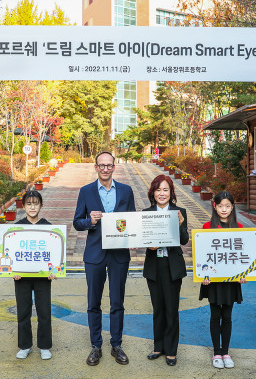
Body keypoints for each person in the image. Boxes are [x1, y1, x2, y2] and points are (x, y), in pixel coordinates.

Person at [73, 151, 136, 366]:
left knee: (117, 301)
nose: (106, 169)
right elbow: (77, 222)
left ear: (114, 167)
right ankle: (96, 345)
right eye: (102, 165)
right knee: (94, 302)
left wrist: (133, 236)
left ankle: (116, 344)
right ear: (96, 167)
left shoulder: (126, 191)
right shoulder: (86, 191)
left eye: (109, 165)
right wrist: (89, 221)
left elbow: (132, 219)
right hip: (95, 254)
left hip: (119, 254)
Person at [142, 175, 188, 367]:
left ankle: (171, 350)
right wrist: (148, 244)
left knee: (171, 309)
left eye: (165, 190)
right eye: (158, 190)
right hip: (154, 265)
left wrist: (180, 224)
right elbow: (142, 238)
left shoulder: (179, 212)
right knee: (158, 308)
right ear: (153, 192)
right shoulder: (146, 213)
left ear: (171, 192)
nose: (162, 193)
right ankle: (158, 346)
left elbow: (184, 240)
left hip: (172, 266)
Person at [200, 191, 246, 369]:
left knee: (227, 316)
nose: (224, 209)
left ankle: (225, 352)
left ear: (232, 207)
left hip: (231, 281)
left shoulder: (240, 228)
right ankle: (216, 353)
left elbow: (243, 256)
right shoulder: (207, 227)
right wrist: (202, 275)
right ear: (215, 206)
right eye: (220, 206)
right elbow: (202, 255)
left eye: (227, 206)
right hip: (213, 280)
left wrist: (244, 274)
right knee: (215, 315)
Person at [12, 189, 55, 361]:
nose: (32, 207)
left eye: (35, 204)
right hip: (21, 277)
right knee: (23, 312)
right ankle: (25, 346)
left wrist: (54, 271)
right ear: (23, 206)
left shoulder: (48, 227)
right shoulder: (17, 227)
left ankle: (44, 346)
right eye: (29, 204)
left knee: (44, 311)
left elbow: (54, 252)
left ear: (41, 206)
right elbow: (10, 252)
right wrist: (13, 271)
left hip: (43, 277)